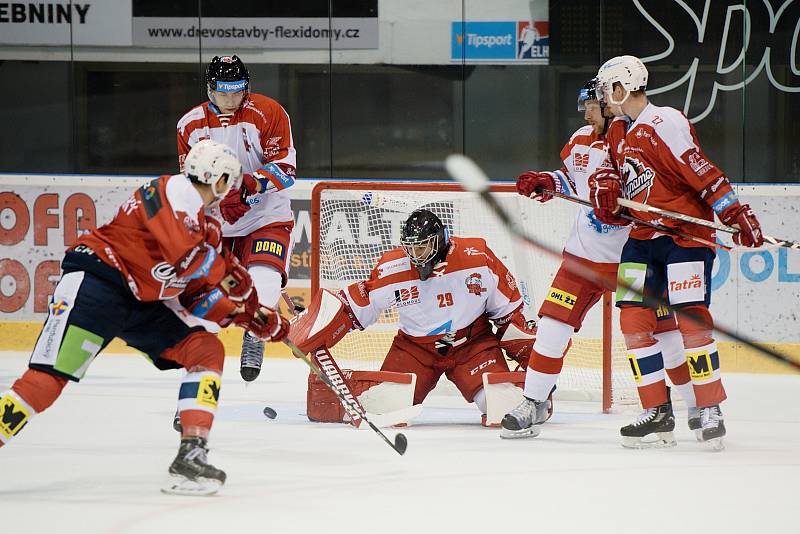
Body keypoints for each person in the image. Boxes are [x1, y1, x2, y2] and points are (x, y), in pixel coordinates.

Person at [0, 140, 290, 495]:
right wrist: (235, 285)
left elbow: (196, 296)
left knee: (205, 350)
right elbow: (184, 254)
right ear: (217, 177)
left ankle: (192, 453)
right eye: (228, 181)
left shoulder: (205, 228)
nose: (228, 191)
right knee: (46, 382)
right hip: (98, 286)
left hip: (141, 303)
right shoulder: (170, 189)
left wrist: (249, 317)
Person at [500, 79, 699, 443]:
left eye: (590, 105)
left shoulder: (640, 141)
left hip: (633, 259)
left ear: (609, 104)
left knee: (664, 336)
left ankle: (696, 406)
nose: (585, 112)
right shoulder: (580, 139)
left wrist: (623, 210)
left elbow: (663, 193)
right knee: (551, 329)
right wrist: (547, 181)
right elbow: (571, 179)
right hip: (583, 259)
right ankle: (534, 402)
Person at [589, 55, 764, 449]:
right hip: (641, 239)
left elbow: (703, 172)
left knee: (691, 322)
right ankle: (657, 411)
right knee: (633, 324)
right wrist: (605, 187)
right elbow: (610, 170)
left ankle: (709, 408)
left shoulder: (665, 122)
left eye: (606, 88)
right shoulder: (617, 129)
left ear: (622, 88)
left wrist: (735, 212)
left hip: (684, 237)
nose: (602, 96)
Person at [288, 209, 538, 421]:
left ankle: (536, 396)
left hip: (472, 346)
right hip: (415, 350)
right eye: (411, 248)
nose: (415, 255)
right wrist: (315, 324)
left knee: (503, 407)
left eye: (422, 247)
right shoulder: (393, 269)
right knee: (384, 407)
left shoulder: (478, 259)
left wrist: (534, 361)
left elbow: (509, 314)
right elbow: (355, 307)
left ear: (440, 241)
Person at [177, 55, 297, 382]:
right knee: (206, 304)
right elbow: (189, 181)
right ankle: (197, 377)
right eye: (223, 92)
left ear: (246, 87)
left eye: (237, 91)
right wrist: (217, 198)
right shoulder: (189, 125)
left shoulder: (268, 112)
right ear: (209, 89)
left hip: (266, 215)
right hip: (219, 224)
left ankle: (254, 337)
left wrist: (249, 185)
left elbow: (286, 170)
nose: (231, 99)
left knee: (266, 277)